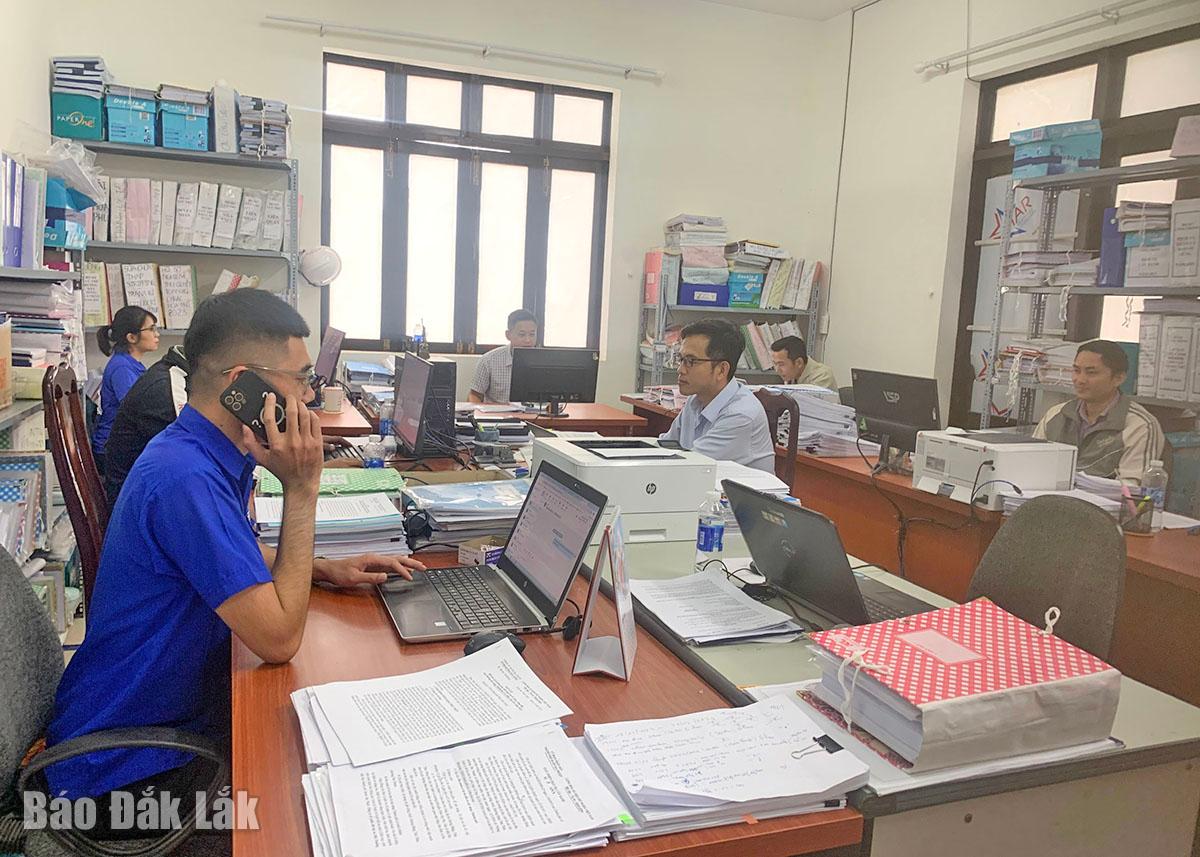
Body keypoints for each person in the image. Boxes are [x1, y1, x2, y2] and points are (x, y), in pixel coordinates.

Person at [46, 289, 424, 828]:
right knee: (315, 815)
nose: (309, 397)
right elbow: (278, 640)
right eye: (301, 379)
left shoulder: (201, 450)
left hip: (165, 723)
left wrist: (322, 568)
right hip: (122, 773)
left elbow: (232, 550)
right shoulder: (185, 479)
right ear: (244, 383)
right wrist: (302, 490)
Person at [1033, 339, 1165, 486]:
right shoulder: (1056, 414)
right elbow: (1031, 464)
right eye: (1076, 371)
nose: (1080, 380)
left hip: (1102, 500)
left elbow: (1132, 489)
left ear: (1118, 378)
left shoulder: (1139, 425)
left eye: (1091, 373)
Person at [659, 319, 775, 473]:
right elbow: (666, 447)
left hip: (727, 488)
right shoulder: (696, 401)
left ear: (721, 370)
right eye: (681, 359)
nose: (680, 370)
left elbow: (690, 467)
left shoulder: (741, 415)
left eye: (691, 361)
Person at [91, 305, 160, 474]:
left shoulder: (131, 364)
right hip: (112, 450)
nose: (157, 334)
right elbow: (135, 409)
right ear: (131, 337)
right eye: (151, 329)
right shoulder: (122, 368)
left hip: (122, 444)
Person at [468, 308, 538, 404]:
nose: (528, 340)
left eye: (532, 334)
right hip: (497, 412)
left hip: (535, 413)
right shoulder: (489, 360)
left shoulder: (545, 360)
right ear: (508, 335)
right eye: (522, 335)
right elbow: (474, 395)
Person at [769, 335, 837, 390]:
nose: (777, 370)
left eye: (781, 364)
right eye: (775, 364)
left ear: (799, 363)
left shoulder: (822, 376)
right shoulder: (792, 375)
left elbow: (808, 402)